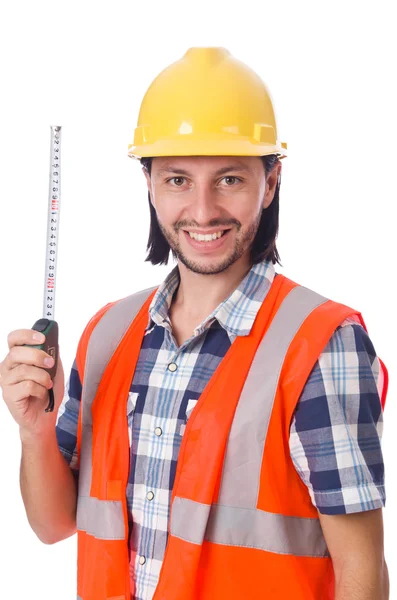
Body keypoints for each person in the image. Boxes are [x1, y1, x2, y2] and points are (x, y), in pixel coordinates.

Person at [0, 47, 389, 600]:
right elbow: (52, 524)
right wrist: (34, 429)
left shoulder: (321, 344)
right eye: (178, 180)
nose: (203, 211)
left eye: (229, 179)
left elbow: (363, 573)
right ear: (150, 185)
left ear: (271, 182)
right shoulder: (107, 333)